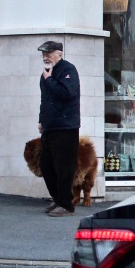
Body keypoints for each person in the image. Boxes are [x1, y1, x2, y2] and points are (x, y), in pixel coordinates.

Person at [37, 40, 81, 217]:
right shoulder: (46, 74)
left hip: (66, 127)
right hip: (50, 126)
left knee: (64, 167)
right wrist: (41, 120)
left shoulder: (68, 70)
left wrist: (49, 80)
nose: (45, 57)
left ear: (60, 54)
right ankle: (57, 199)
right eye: (43, 54)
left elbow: (67, 93)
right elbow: (45, 100)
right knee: (46, 165)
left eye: (49, 53)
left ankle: (66, 204)